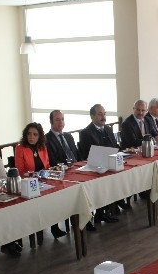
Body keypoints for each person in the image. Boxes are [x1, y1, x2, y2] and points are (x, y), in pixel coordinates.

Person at [78, 104, 124, 230]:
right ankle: (100, 212)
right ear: (92, 116)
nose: (103, 117)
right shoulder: (86, 133)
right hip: (94, 167)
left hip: (110, 164)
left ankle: (107, 210)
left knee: (118, 176)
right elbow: (88, 153)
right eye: (100, 114)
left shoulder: (108, 129)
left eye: (104, 114)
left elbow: (115, 146)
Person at [45, 110, 80, 238]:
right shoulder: (47, 139)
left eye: (62, 119)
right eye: (57, 120)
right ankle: (55, 227)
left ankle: (82, 221)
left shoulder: (68, 136)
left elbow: (76, 154)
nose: (61, 122)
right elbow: (51, 160)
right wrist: (66, 167)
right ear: (51, 122)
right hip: (59, 173)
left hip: (75, 170)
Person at [15, 123, 50, 245]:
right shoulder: (20, 148)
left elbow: (47, 166)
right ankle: (35, 234)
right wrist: (35, 176)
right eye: (29, 134)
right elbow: (20, 171)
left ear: (39, 136)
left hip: (44, 182)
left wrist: (44, 175)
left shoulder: (42, 147)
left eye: (35, 134)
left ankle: (54, 226)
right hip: (28, 185)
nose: (31, 137)